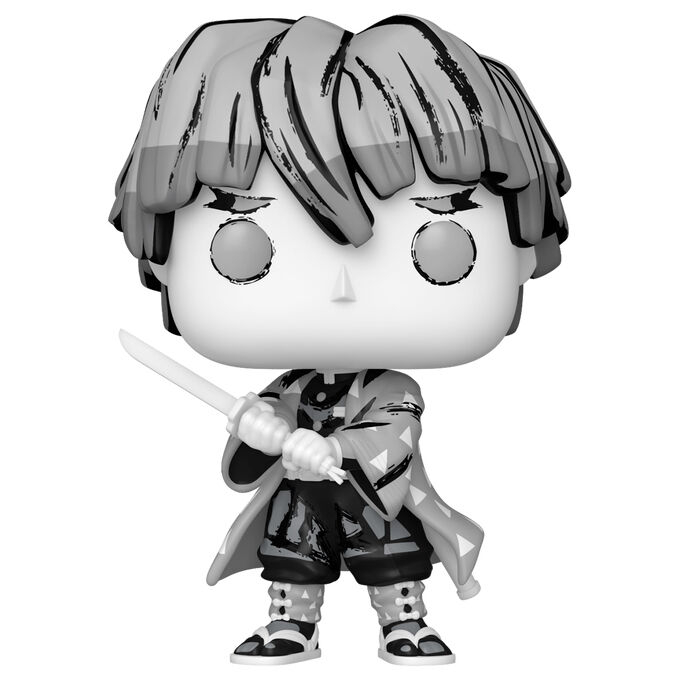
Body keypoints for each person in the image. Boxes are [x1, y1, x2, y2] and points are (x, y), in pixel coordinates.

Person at [109, 14, 570, 666]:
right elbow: (247, 459)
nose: (342, 288)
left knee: (391, 556)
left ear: (522, 256)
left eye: (441, 244)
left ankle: (403, 623)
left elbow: (394, 434)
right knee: (293, 554)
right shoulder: (292, 388)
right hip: (303, 498)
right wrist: (257, 425)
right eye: (242, 244)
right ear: (161, 262)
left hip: (372, 495)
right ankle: (293, 624)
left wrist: (334, 447)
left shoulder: (392, 390)